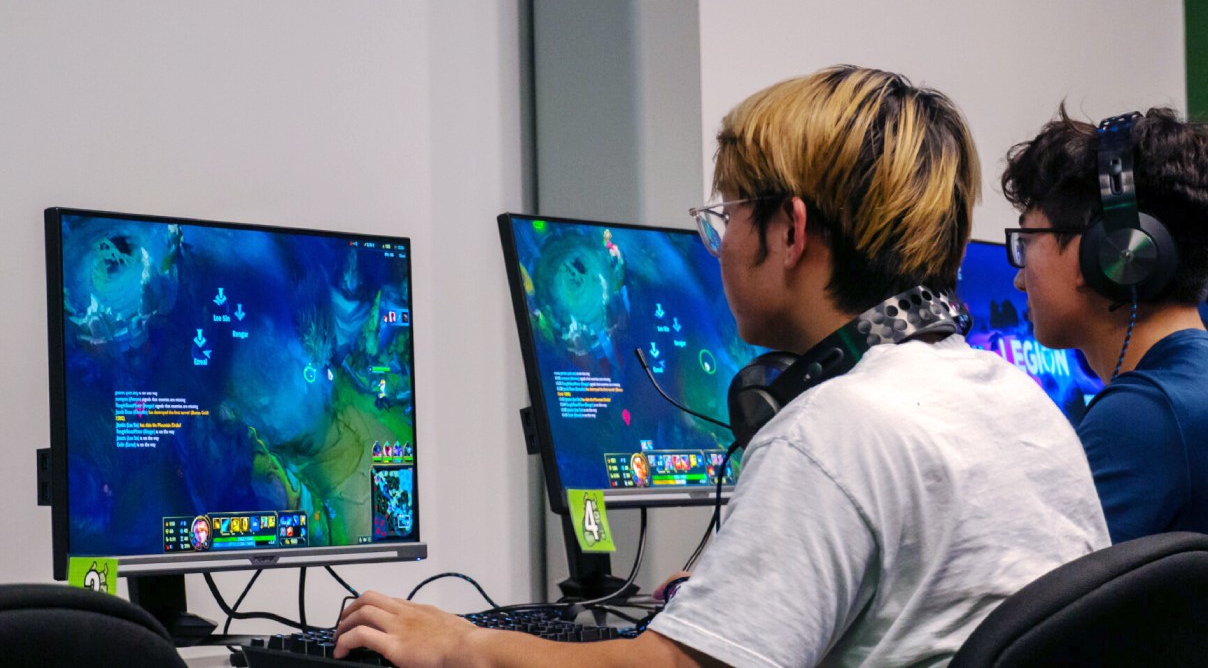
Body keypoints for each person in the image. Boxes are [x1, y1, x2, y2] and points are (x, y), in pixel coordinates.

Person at [335, 66, 1109, 667]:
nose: (722, 243)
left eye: (727, 215)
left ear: (790, 230)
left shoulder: (834, 431)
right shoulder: (1021, 404)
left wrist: (460, 644)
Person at [1001, 105, 1208, 544]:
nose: (1019, 277)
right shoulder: (1187, 394)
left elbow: (1035, 606)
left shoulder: (1144, 417)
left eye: (1026, 242)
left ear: (1112, 253)